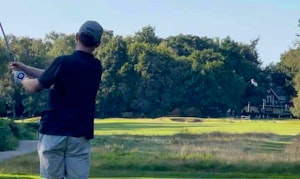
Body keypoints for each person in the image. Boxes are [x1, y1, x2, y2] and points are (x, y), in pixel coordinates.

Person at [10, 20, 103, 179]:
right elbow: (52, 75)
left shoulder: (63, 62)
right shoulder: (95, 67)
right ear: (98, 44)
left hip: (53, 133)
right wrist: (25, 67)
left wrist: (21, 77)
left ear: (76, 37)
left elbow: (33, 87)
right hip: (80, 136)